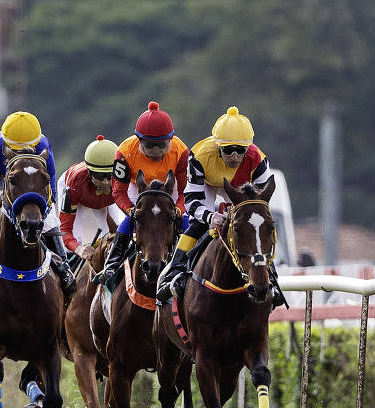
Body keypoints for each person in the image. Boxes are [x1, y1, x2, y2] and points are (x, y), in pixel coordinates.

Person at [156, 106, 284, 308]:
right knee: (199, 225)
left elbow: (261, 205)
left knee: (255, 228)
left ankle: (272, 279)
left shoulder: (258, 159)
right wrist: (209, 217)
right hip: (209, 186)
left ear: (248, 148)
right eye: (227, 150)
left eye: (240, 150)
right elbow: (191, 199)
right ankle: (175, 271)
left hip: (243, 191)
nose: (234, 156)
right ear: (217, 146)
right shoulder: (199, 155)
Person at [0, 111, 76, 295]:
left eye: (27, 149)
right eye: (16, 151)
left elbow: (51, 186)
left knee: (50, 223)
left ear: (36, 144)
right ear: (7, 145)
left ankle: (64, 269)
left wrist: (45, 207)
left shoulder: (44, 146)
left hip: (33, 186)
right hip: (3, 183)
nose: (22, 154)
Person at [94, 101, 188, 285]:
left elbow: (186, 191)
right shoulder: (124, 152)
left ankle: (191, 261)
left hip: (171, 188)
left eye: (161, 146)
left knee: (186, 221)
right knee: (131, 220)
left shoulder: (182, 151)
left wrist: (178, 209)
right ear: (138, 141)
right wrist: (129, 210)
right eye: (149, 145)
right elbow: (118, 191)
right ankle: (112, 265)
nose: (155, 151)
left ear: (171, 140)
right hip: (139, 189)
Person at [58, 135, 123, 260]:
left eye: (110, 176)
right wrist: (79, 249)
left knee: (115, 236)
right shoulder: (75, 186)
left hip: (101, 199)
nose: (105, 183)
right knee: (74, 243)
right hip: (80, 195)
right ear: (89, 173)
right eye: (99, 176)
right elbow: (65, 230)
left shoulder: (123, 181)